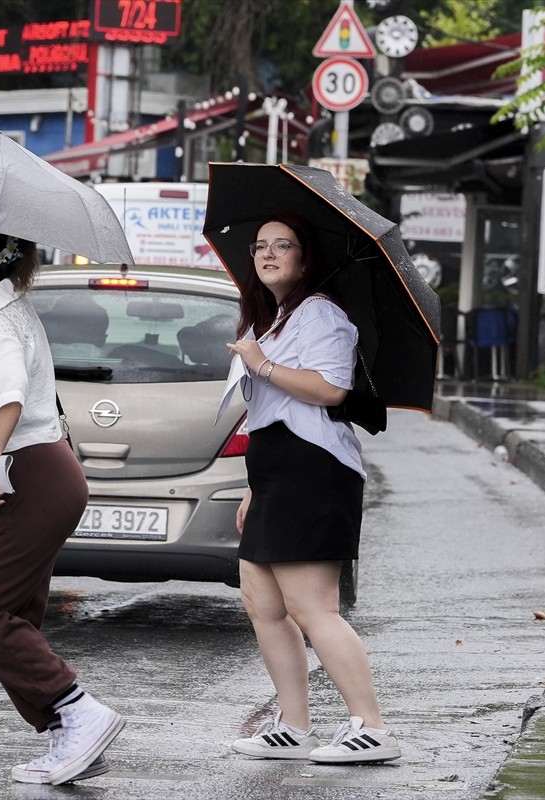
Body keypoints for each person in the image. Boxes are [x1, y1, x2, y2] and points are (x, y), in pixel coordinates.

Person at [0, 215, 125, 785]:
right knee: (12, 615)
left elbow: (6, 391)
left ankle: (80, 712)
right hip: (45, 474)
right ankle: (71, 735)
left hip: (25, 475)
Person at [223, 211, 401, 764]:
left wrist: (264, 364)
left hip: (315, 471)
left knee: (313, 607)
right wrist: (254, 486)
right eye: (260, 247)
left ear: (305, 257)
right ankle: (294, 726)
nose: (268, 254)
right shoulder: (271, 320)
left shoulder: (322, 316)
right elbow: (266, 412)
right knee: (263, 603)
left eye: (283, 245)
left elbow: (329, 389)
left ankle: (370, 726)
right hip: (275, 471)